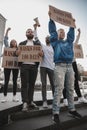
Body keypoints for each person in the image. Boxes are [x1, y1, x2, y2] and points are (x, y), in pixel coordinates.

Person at [48, 12, 82, 124]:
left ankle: (72, 109)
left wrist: (71, 24)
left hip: (69, 67)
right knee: (59, 89)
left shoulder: (68, 42)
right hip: (59, 67)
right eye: (60, 31)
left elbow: (71, 34)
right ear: (57, 34)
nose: (62, 33)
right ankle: (55, 113)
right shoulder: (55, 42)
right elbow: (52, 31)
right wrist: (51, 19)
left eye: (63, 31)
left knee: (71, 89)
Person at [16, 24, 43, 111]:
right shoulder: (22, 43)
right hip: (24, 66)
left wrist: (41, 54)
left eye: (31, 31)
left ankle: (30, 101)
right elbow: (16, 53)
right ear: (26, 34)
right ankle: (24, 102)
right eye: (28, 31)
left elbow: (42, 54)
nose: (30, 32)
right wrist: (18, 52)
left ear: (33, 34)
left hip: (34, 66)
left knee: (32, 85)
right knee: (24, 85)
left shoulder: (37, 44)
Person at [63, 28, 87, 106]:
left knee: (76, 80)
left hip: (73, 63)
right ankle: (65, 99)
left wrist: (79, 33)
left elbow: (77, 40)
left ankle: (80, 97)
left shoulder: (72, 44)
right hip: (66, 64)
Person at [1, 27, 19, 102]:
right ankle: (4, 96)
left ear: (16, 43)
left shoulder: (18, 50)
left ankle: (14, 97)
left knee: (15, 81)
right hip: (7, 66)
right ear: (11, 43)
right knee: (6, 81)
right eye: (12, 42)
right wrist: (7, 31)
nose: (13, 43)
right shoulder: (8, 47)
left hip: (15, 66)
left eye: (15, 42)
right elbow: (5, 40)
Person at [40, 35, 55, 108]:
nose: (47, 39)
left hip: (51, 67)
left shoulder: (53, 47)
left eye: (48, 38)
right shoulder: (42, 46)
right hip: (43, 67)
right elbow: (36, 39)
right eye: (46, 38)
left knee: (53, 84)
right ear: (45, 40)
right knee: (44, 84)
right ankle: (44, 101)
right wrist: (35, 28)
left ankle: (55, 99)